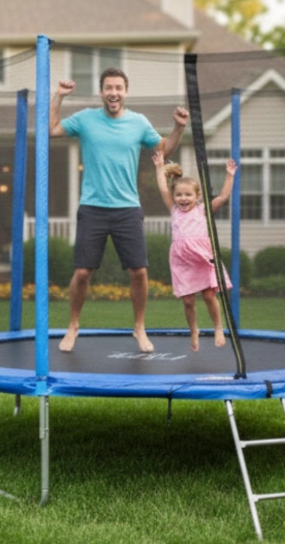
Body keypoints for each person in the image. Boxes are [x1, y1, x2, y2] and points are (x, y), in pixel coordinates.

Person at [50, 67, 188, 353]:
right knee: (82, 273)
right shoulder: (85, 119)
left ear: (126, 92)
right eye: (108, 88)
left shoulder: (138, 123)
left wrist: (178, 128)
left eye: (118, 88)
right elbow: (52, 130)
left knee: (139, 272)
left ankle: (139, 328)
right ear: (101, 92)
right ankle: (73, 326)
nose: (113, 93)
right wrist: (59, 96)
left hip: (128, 208)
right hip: (93, 208)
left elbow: (164, 150)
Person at [152, 150, 237, 352]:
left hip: (201, 256)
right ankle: (194, 331)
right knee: (188, 300)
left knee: (209, 294)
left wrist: (229, 175)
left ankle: (218, 327)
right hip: (181, 259)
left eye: (188, 195)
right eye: (179, 195)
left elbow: (223, 197)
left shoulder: (202, 210)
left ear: (197, 196)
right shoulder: (173, 209)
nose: (183, 198)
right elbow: (163, 188)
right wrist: (159, 168)